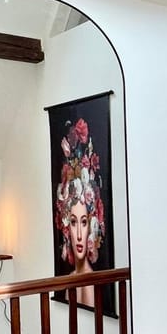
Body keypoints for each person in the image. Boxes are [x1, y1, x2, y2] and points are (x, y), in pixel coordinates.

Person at [55, 118, 106, 308]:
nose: (78, 235)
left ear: (92, 225)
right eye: (73, 222)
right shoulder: (72, 278)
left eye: (83, 222)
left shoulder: (90, 283)